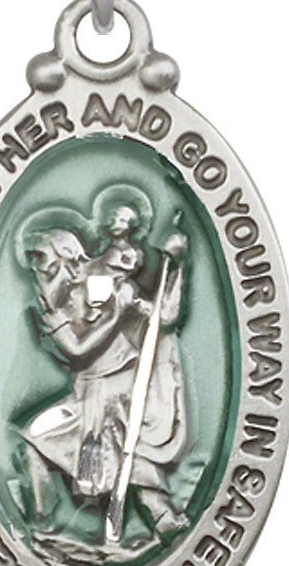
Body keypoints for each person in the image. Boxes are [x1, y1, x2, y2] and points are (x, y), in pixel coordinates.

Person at [19, 196, 189, 545]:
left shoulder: (119, 286)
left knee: (127, 451)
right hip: (86, 390)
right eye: (38, 267)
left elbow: (165, 316)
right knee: (34, 441)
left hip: (120, 385)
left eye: (45, 264)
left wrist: (177, 266)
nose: (42, 272)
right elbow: (76, 350)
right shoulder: (52, 307)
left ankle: (162, 518)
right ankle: (40, 526)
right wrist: (115, 313)